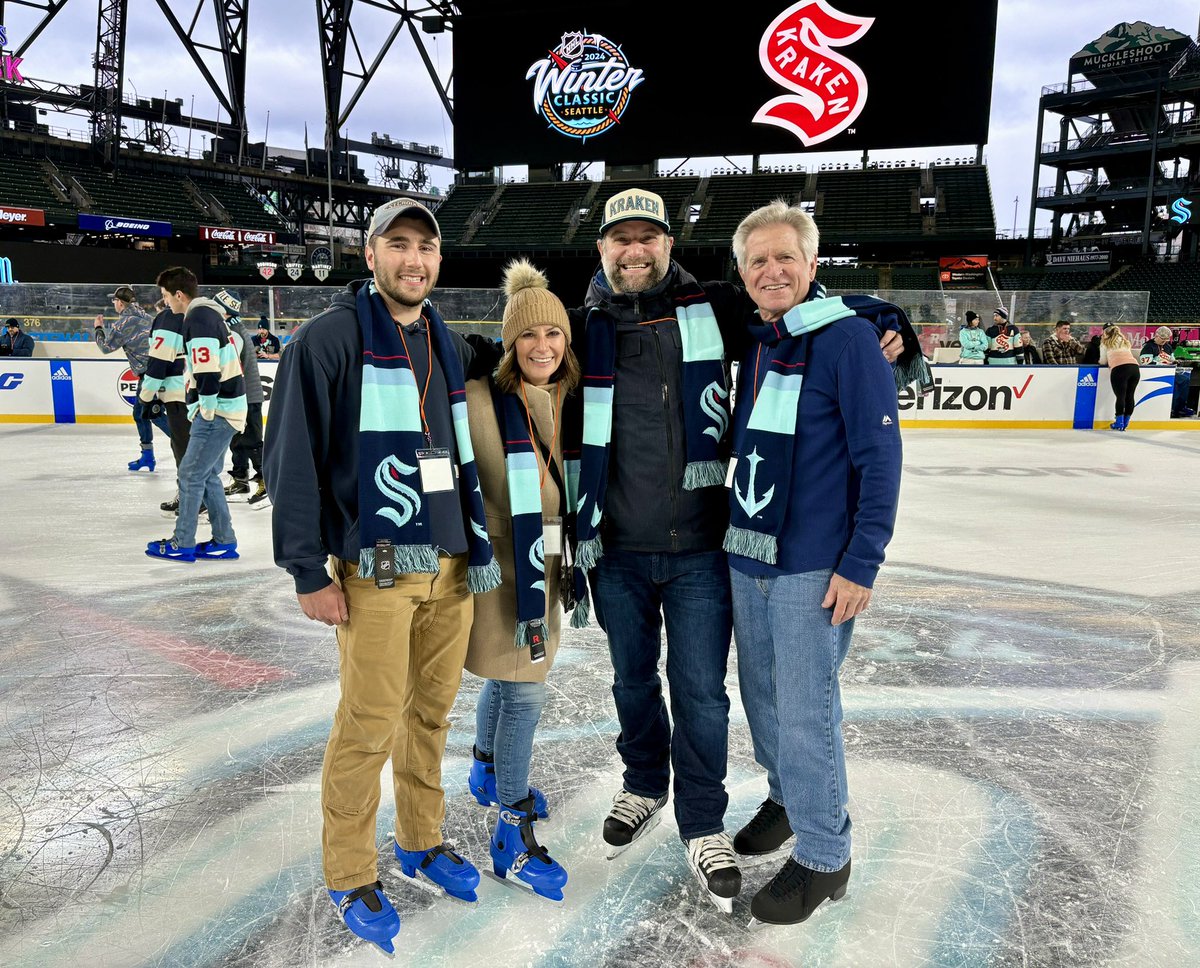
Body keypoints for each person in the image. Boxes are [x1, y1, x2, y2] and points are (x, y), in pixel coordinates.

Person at [567, 187, 914, 913]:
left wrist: (891, 320)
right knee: (696, 691)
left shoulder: (722, 309)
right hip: (657, 547)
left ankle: (757, 836)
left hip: (717, 547)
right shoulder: (584, 325)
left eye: (649, 237)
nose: (635, 250)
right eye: (621, 239)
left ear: (669, 245)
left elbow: (820, 326)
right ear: (602, 249)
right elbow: (519, 355)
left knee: (727, 696)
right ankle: (699, 792)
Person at [262, 197, 504, 954]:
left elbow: (519, 353)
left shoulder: (444, 340)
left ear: (439, 260)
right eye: (397, 244)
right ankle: (349, 870)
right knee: (368, 724)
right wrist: (307, 569)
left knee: (429, 716)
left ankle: (421, 840)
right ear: (370, 255)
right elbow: (290, 458)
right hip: (378, 569)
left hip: (451, 564)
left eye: (425, 247)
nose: (413, 260)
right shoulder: (328, 340)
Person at [723, 200, 902, 926]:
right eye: (758, 260)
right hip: (750, 553)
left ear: (812, 264)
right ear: (742, 272)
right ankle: (787, 799)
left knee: (804, 711)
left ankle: (827, 855)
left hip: (813, 566)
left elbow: (880, 456)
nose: (772, 270)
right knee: (763, 699)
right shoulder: (761, 343)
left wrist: (862, 561)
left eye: (785, 257)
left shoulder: (849, 340)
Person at [464, 258, 588, 903]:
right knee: (523, 691)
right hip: (502, 566)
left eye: (554, 334)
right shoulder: (481, 398)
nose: (543, 347)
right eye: (528, 336)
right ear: (508, 345)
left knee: (508, 676)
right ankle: (511, 831)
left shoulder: (568, 398)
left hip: (546, 559)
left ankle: (486, 769)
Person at [145, 267, 246, 563]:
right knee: (207, 474)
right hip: (226, 408)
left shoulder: (198, 318)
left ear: (179, 295)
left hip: (218, 411)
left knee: (190, 474)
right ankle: (224, 541)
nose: (165, 302)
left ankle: (182, 542)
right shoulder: (208, 315)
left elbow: (207, 370)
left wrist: (206, 410)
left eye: (166, 296)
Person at [94, 286, 171, 471]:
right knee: (140, 413)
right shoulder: (147, 317)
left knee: (153, 414)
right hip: (159, 369)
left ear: (121, 303)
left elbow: (105, 348)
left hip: (149, 374)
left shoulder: (123, 324)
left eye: (114, 300)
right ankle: (147, 456)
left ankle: (188, 444)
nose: (113, 303)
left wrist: (98, 328)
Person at [213, 290, 269, 509]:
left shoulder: (233, 332)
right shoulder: (232, 328)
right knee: (237, 438)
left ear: (225, 311)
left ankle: (266, 481)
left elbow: (230, 367)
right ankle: (240, 479)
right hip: (241, 395)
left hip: (247, 396)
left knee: (252, 440)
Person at [139, 298, 193, 517]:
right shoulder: (196, 315)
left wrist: (146, 395)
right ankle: (190, 496)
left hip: (178, 395)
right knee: (185, 446)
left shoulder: (169, 318)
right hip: (189, 392)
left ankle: (195, 500)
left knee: (184, 447)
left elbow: (159, 362)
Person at [1140, 325, 1194, 417]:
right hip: (1154, 373)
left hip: (1168, 371)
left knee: (1184, 379)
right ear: (1156, 336)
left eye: (1166, 339)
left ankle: (1180, 407)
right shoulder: (1148, 347)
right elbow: (1146, 363)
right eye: (1162, 339)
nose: (1164, 341)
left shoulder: (1167, 346)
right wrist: (1163, 365)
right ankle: (1173, 408)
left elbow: (1171, 358)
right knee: (1176, 381)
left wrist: (1174, 361)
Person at [1100, 324, 1139, 431]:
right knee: (1130, 396)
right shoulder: (1125, 342)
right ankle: (1125, 422)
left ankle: (1119, 422)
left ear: (1105, 332)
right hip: (1134, 368)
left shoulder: (1105, 343)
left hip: (1120, 368)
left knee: (1121, 396)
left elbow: (1103, 361)